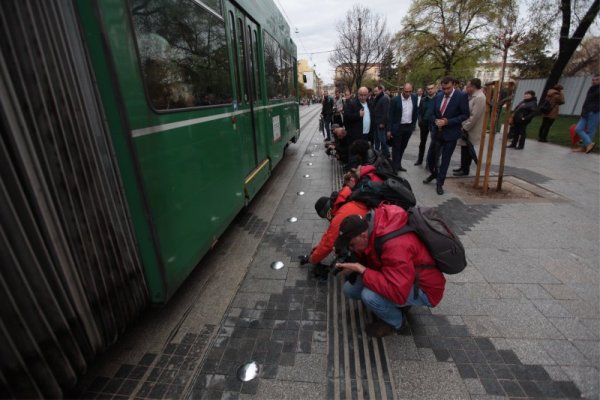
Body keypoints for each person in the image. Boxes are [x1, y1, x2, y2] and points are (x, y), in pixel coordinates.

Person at [334, 205, 446, 337]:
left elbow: (397, 293)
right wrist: (354, 263)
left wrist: (362, 270)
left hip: (425, 288)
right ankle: (397, 307)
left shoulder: (395, 246)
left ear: (363, 235)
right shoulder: (372, 226)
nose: (351, 249)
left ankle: (396, 322)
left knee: (368, 295)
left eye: (351, 245)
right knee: (350, 289)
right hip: (402, 277)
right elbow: (374, 258)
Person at [424, 76, 469, 195]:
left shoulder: (461, 96)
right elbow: (432, 114)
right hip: (437, 133)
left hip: (451, 134)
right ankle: (434, 174)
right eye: (443, 88)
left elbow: (465, 115)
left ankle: (440, 183)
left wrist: (447, 121)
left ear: (453, 84)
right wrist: (436, 121)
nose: (446, 91)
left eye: (448, 88)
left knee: (445, 160)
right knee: (431, 158)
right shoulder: (438, 96)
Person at [308, 194, 368, 266]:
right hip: (366, 227)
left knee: (343, 251)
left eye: (326, 216)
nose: (328, 218)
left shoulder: (338, 218)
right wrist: (316, 249)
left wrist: (312, 259)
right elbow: (329, 234)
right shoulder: (344, 204)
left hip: (365, 239)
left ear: (326, 212)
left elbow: (328, 244)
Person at [454, 78, 486, 176]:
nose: (466, 88)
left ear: (473, 86)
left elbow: (474, 116)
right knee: (464, 149)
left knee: (468, 150)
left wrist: (465, 127)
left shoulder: (480, 97)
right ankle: (463, 167)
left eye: (468, 86)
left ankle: (465, 169)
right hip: (467, 128)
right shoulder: (473, 96)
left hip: (471, 129)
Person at [388, 83, 418, 172]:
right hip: (398, 127)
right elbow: (390, 115)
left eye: (410, 91)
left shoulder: (414, 98)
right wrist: (389, 129)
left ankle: (398, 164)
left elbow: (415, 112)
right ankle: (394, 168)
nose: (408, 94)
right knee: (396, 148)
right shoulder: (395, 100)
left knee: (403, 147)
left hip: (408, 127)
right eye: (406, 91)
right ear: (402, 90)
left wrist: (413, 125)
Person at [343, 87, 372, 168]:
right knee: (353, 156)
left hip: (366, 134)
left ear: (368, 95)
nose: (363, 97)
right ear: (357, 94)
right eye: (361, 95)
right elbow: (346, 118)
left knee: (364, 155)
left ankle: (363, 173)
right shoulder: (352, 104)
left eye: (365, 95)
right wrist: (357, 115)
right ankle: (351, 174)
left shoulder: (370, 103)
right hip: (355, 135)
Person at [573, 74, 599, 153]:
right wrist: (583, 111)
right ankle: (589, 143)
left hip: (595, 112)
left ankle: (584, 147)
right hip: (586, 112)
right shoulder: (591, 88)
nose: (594, 81)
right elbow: (587, 101)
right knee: (578, 128)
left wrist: (594, 110)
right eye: (593, 80)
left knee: (590, 130)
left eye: (597, 79)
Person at [415, 84, 436, 166]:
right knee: (422, 142)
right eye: (428, 89)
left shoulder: (438, 99)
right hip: (424, 123)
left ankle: (430, 162)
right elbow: (419, 111)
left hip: (434, 124)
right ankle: (419, 160)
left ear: (435, 89)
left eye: (431, 88)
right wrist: (420, 121)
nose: (430, 90)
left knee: (433, 143)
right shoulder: (423, 99)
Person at [371, 85, 391, 158]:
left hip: (380, 123)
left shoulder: (384, 98)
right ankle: (377, 152)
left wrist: (383, 122)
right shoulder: (378, 98)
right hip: (376, 122)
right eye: (374, 91)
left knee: (382, 139)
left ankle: (386, 153)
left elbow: (386, 112)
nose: (375, 92)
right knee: (376, 139)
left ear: (381, 90)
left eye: (376, 91)